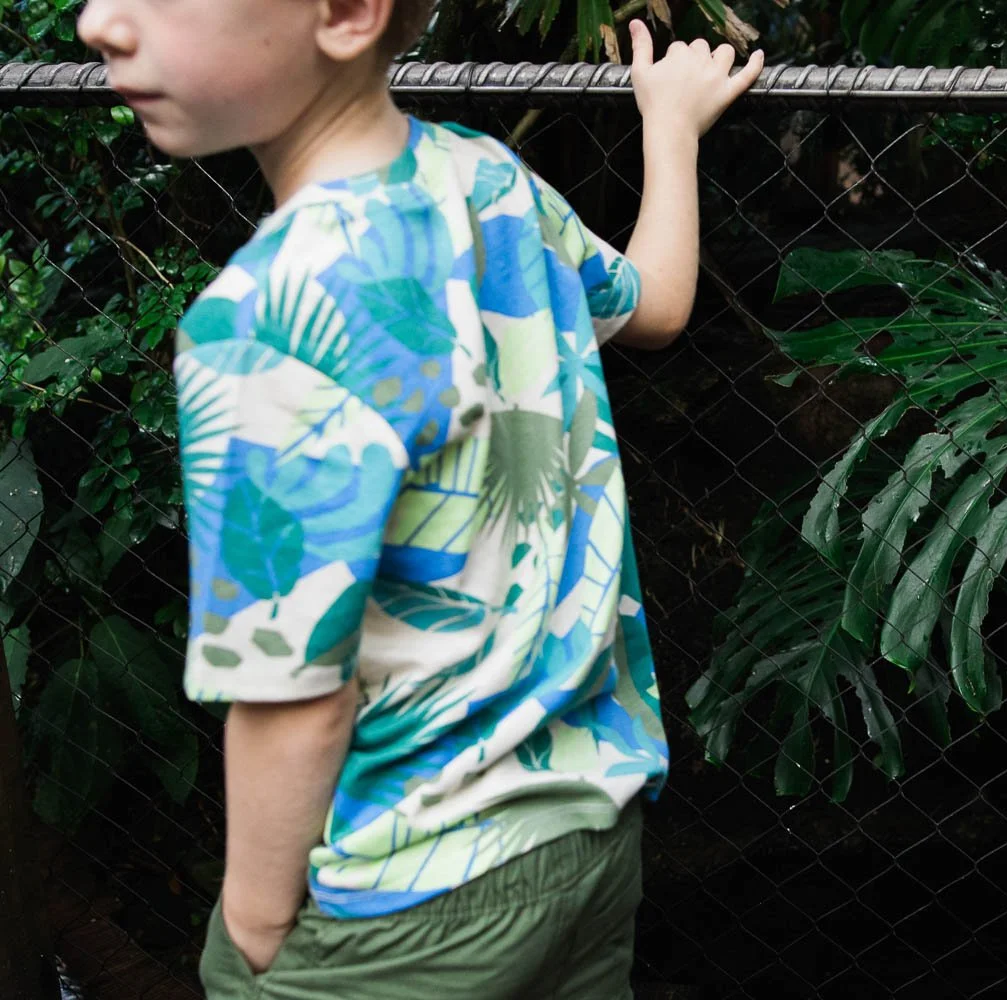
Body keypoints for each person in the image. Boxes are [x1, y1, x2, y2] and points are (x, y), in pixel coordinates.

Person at [77, 0, 763, 995]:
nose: (99, 21)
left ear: (349, 12)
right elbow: (654, 302)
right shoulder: (486, 180)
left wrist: (256, 921)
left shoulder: (267, 318)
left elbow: (292, 692)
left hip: (406, 891)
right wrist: (669, 124)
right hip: (587, 834)